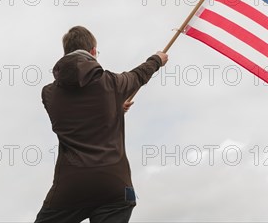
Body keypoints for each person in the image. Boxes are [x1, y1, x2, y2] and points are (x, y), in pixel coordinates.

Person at [35, 26, 168, 223]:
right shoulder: (111, 83)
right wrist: (157, 60)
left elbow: (75, 118)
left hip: (71, 187)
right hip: (116, 186)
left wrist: (113, 107)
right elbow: (139, 75)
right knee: (125, 199)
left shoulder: (48, 94)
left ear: (65, 53)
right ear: (93, 52)